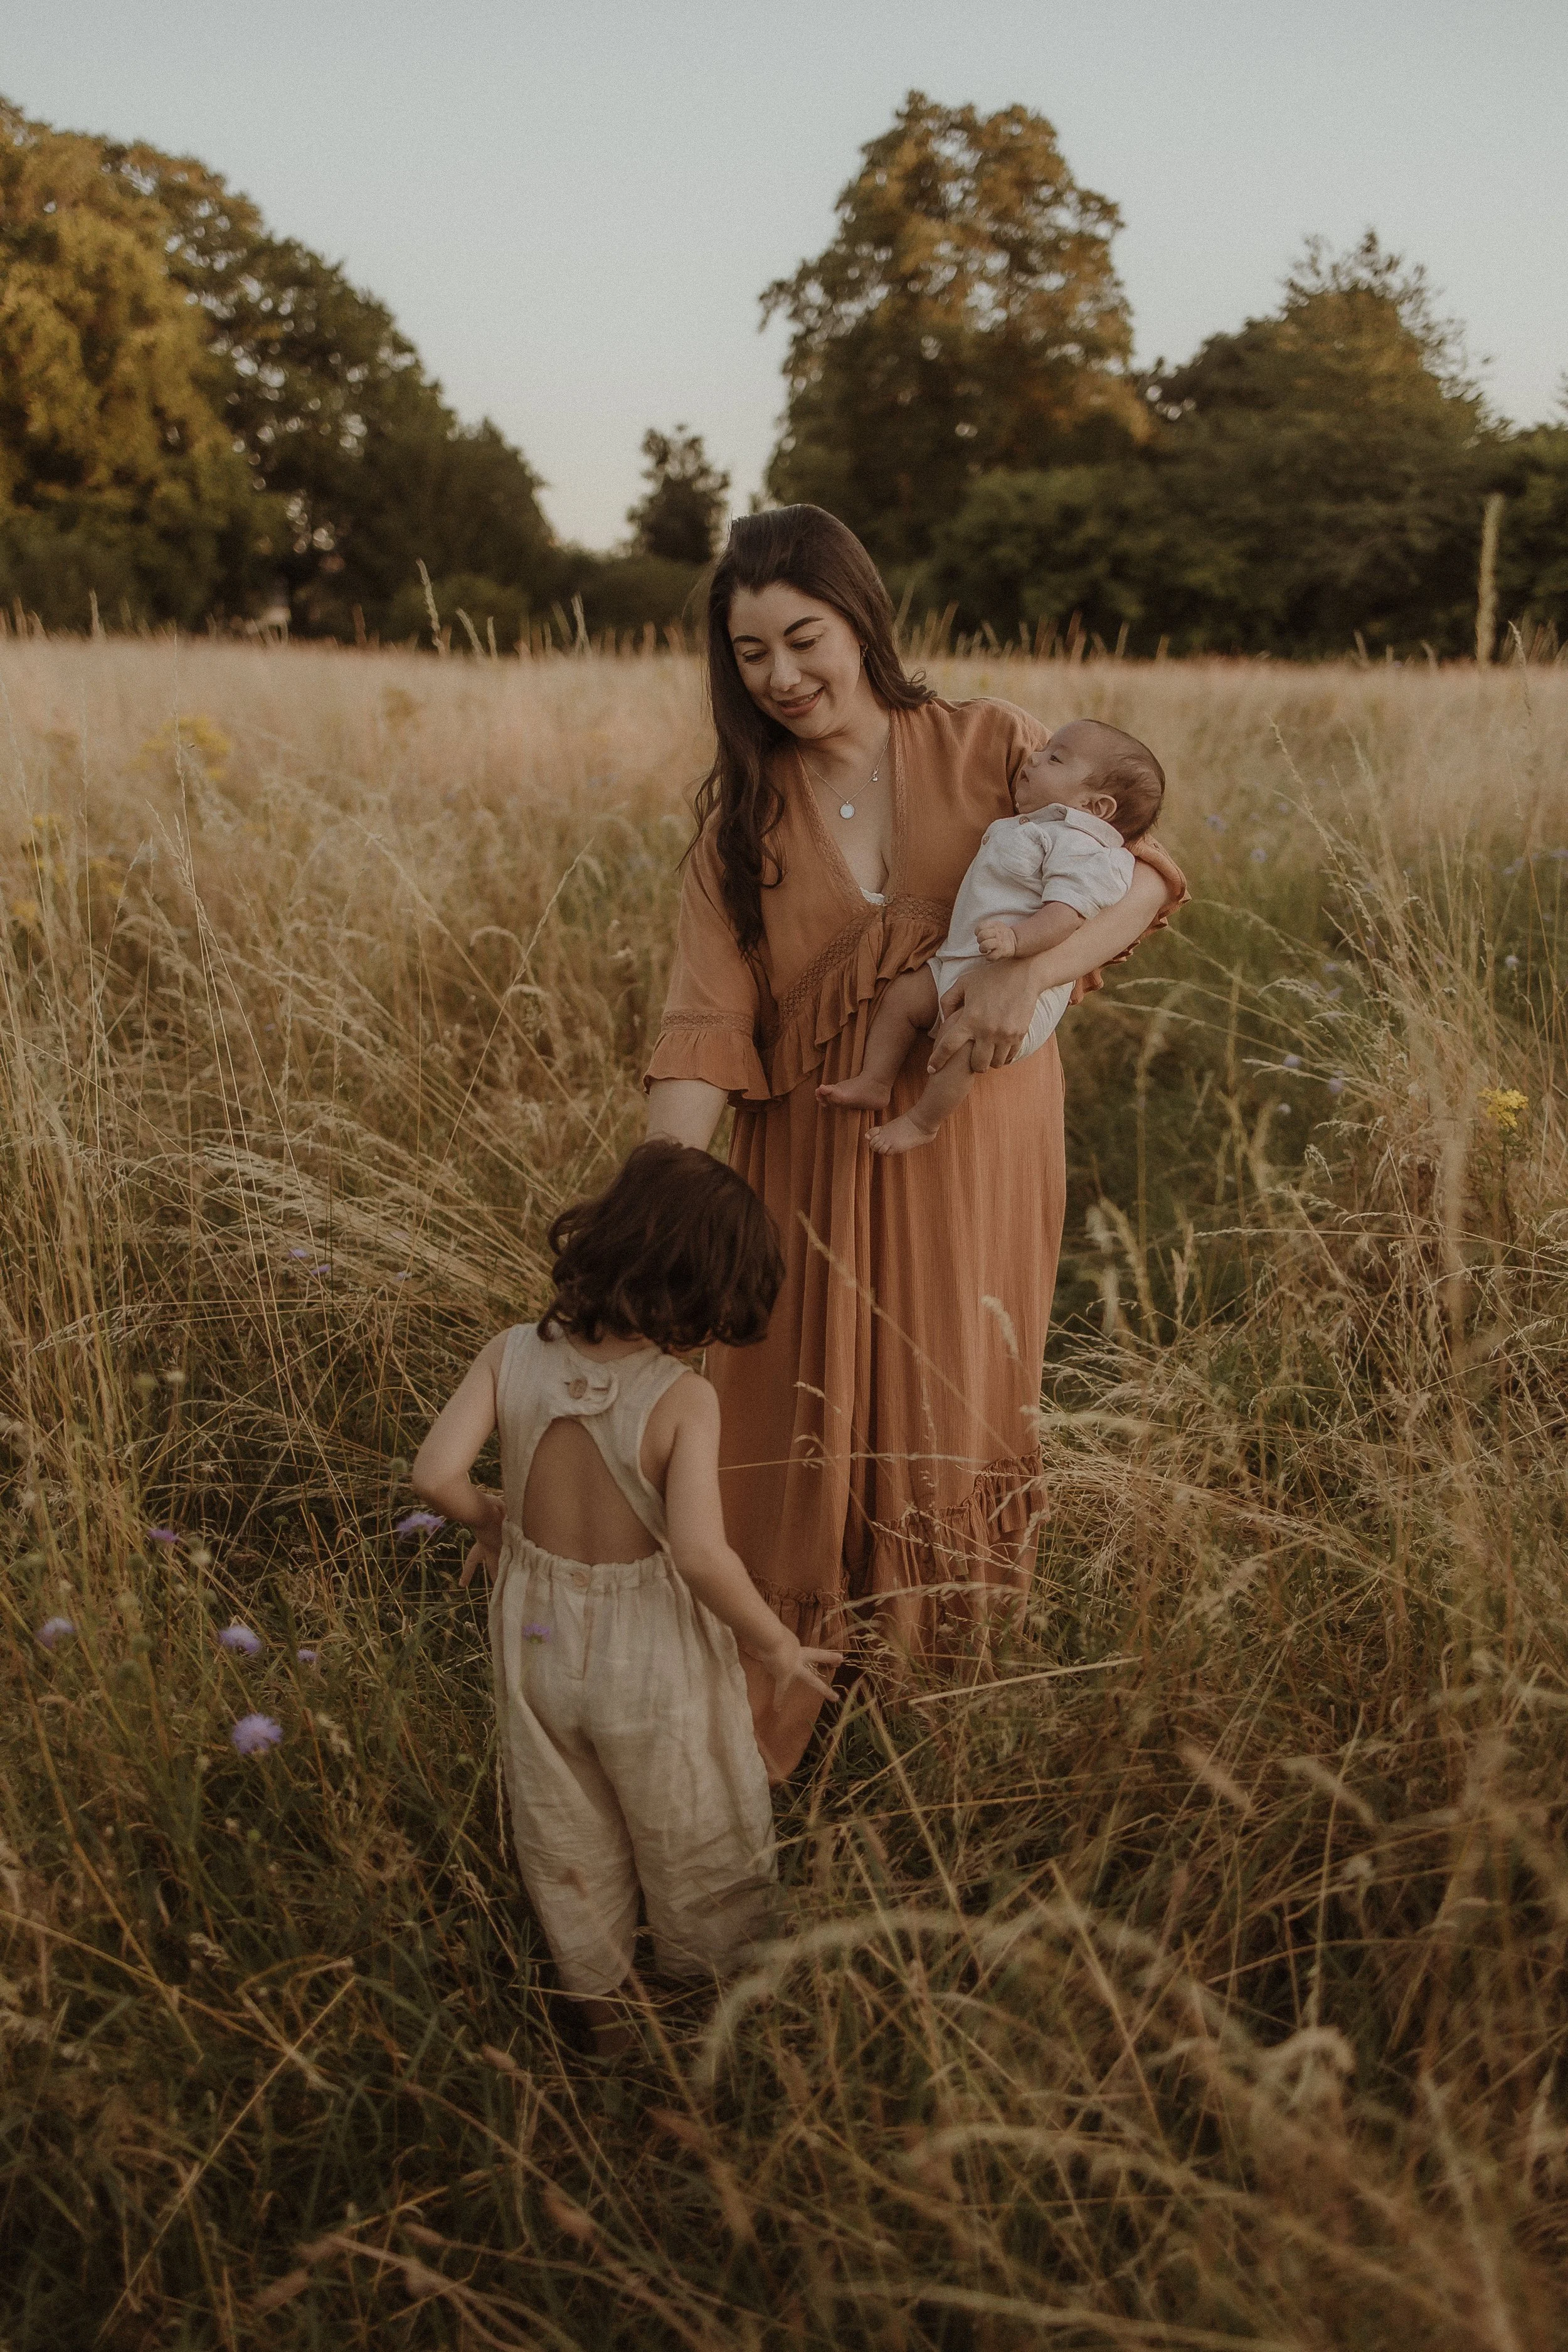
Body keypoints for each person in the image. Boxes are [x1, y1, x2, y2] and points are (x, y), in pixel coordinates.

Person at [645, 505, 1188, 1782]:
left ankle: (940, 1729)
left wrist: (1022, 977)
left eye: (803, 637)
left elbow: (1146, 875)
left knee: (951, 1400)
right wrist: (653, 1205)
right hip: (806, 1155)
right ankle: (775, 1711)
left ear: (860, 623)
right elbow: (700, 1032)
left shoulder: (991, 744)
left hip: (975, 1134)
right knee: (785, 1426)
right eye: (749, 652)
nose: (779, 676)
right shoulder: (741, 823)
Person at [409, 1140, 840, 2052]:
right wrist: (775, 1645)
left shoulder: (510, 1354)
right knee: (694, 1812)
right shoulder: (680, 1398)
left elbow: (435, 1472)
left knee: (562, 1820)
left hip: (535, 1635)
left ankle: (607, 2015)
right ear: (704, 1295)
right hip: (653, 1657)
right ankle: (722, 1996)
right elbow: (698, 1552)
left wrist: (493, 1519)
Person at [818, 719, 1164, 1153]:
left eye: (1055, 758)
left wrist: (1017, 942)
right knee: (904, 997)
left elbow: (1066, 914)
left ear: (1097, 808)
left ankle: (925, 1121)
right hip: (959, 960)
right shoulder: (1032, 825)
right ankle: (875, 1080)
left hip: (1016, 979)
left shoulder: (1085, 849)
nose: (1034, 757)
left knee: (965, 1044)